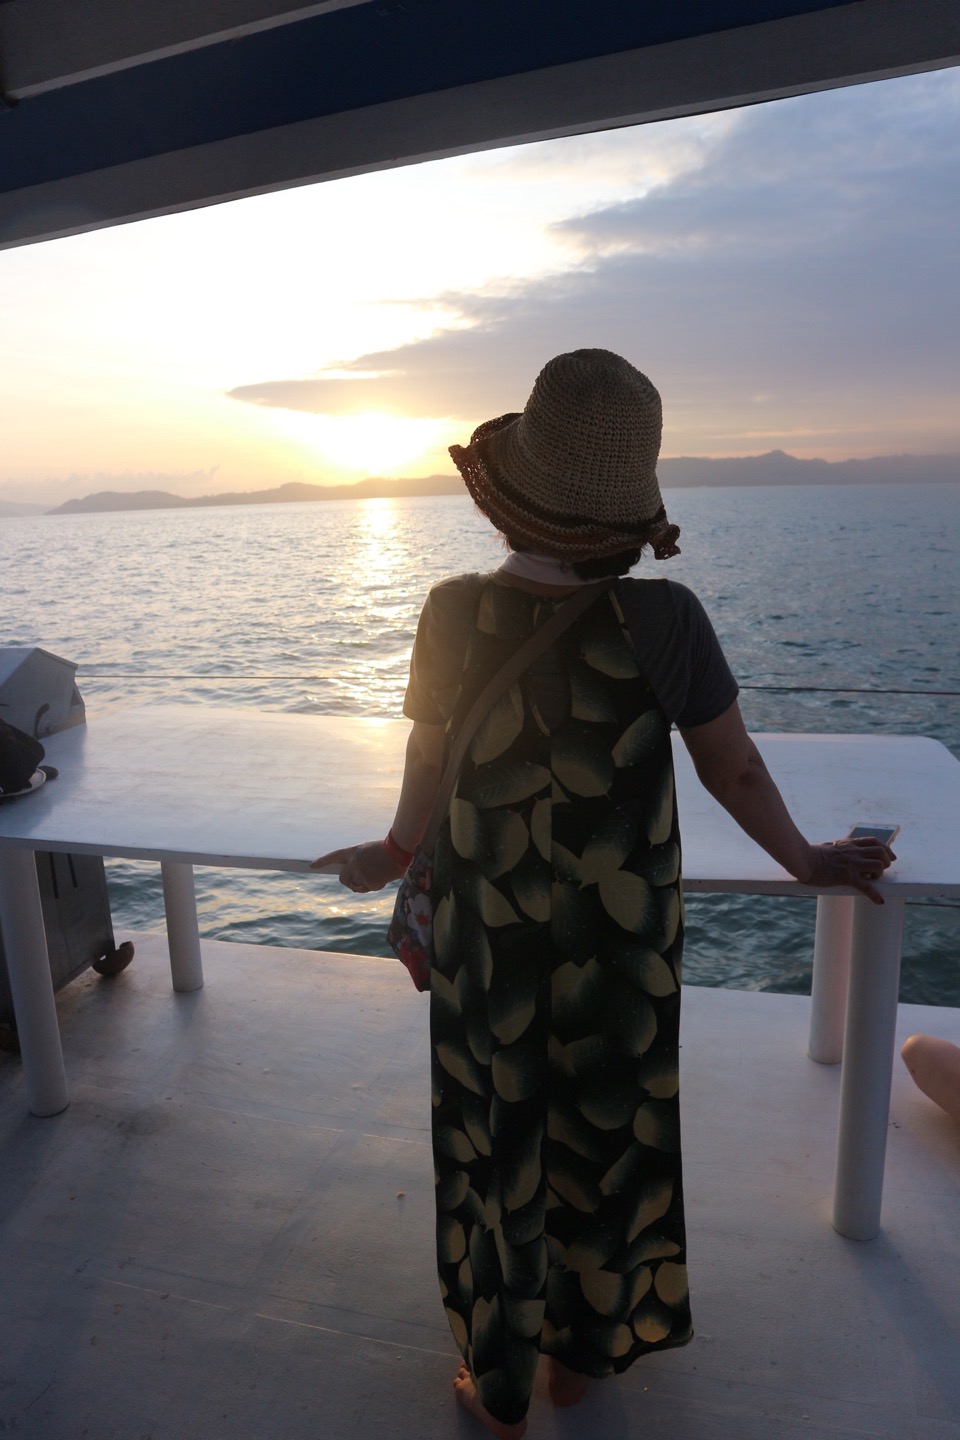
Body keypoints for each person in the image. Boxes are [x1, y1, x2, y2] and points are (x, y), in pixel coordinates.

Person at [313, 349, 894, 1439]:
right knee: (608, 1128)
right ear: (628, 511)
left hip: (489, 933)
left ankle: (498, 1377)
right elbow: (736, 771)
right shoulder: (665, 620)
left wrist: (394, 850)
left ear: (508, 498)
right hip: (620, 942)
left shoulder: (451, 611)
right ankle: (580, 1359)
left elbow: (428, 761)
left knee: (494, 1129)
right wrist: (807, 862)